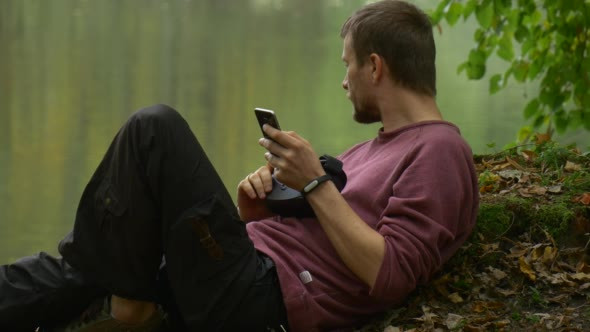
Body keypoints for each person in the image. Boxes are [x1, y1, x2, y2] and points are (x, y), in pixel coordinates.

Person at [0, 0, 479, 331]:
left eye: (347, 65)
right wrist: (260, 203)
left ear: (375, 67)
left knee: (156, 129)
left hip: (262, 299)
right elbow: (319, 235)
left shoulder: (439, 152)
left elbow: (391, 274)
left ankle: (133, 307)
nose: (343, 82)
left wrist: (314, 182)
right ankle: (124, 292)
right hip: (241, 271)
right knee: (68, 272)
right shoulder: (372, 148)